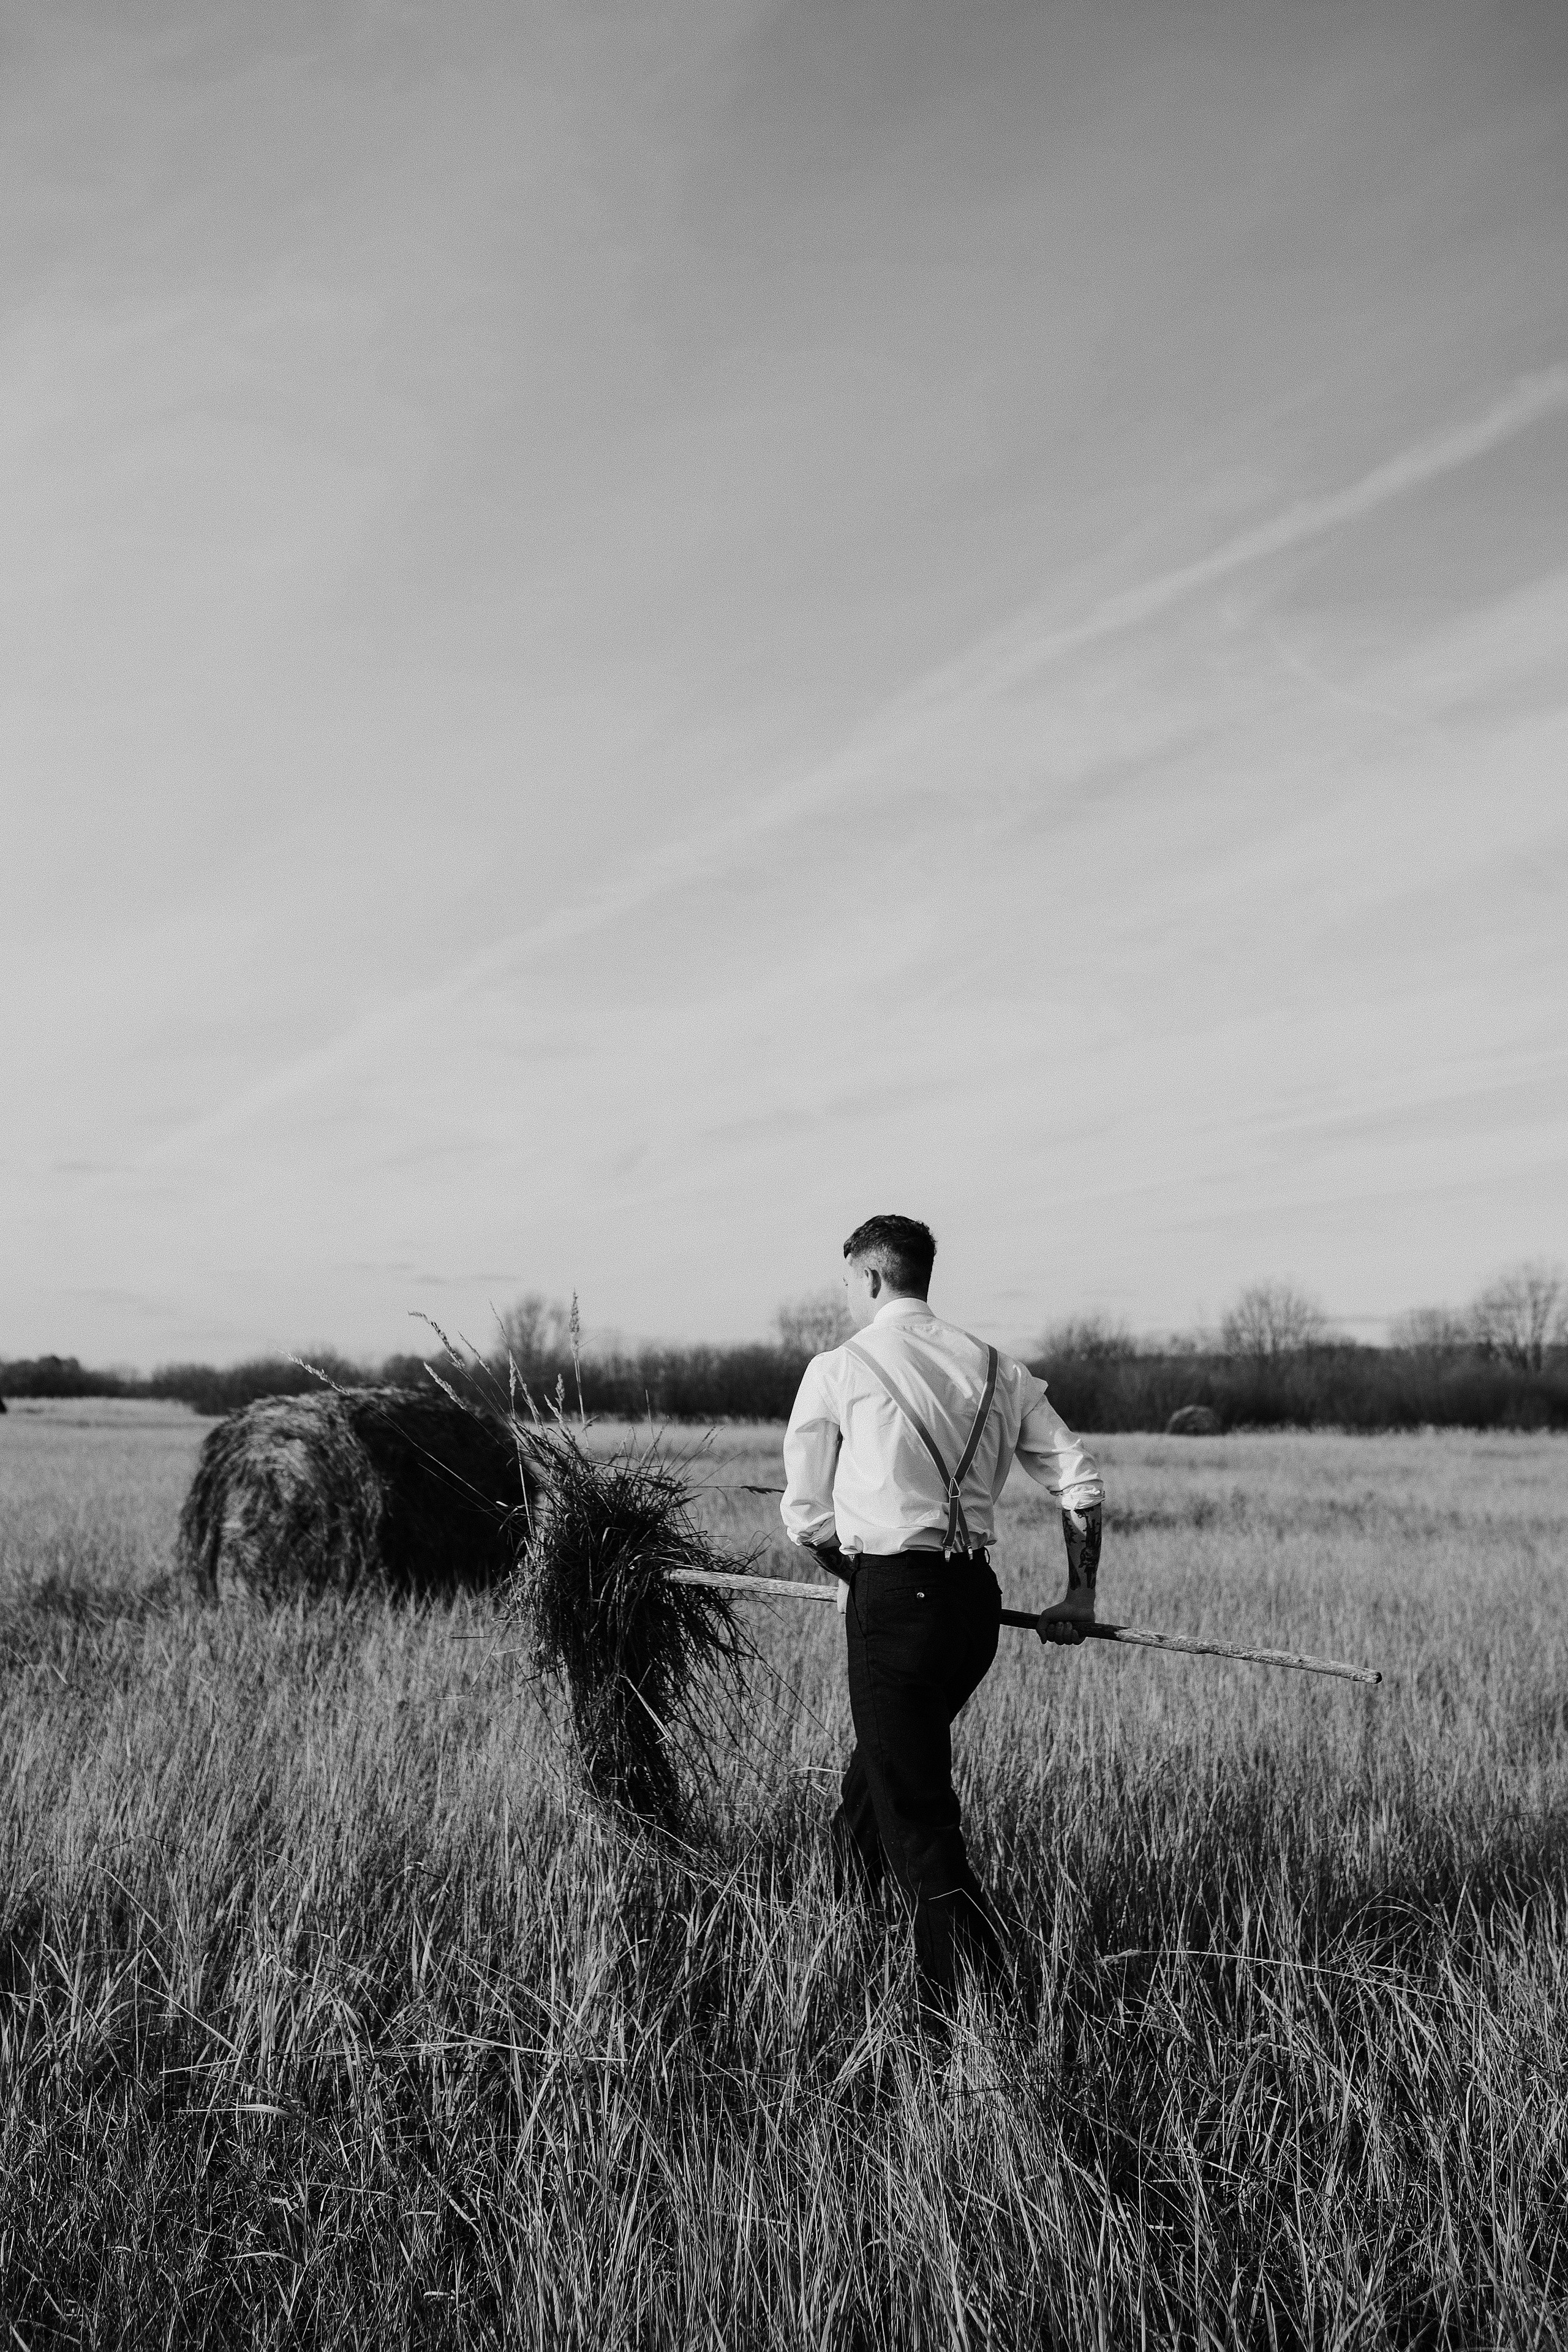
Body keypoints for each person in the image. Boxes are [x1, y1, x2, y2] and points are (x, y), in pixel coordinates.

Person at [780, 1212, 1104, 2003]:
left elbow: (807, 1518)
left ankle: (976, 2004)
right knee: (878, 1781)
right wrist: (1080, 1593)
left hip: (895, 1600)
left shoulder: (839, 1368)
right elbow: (1079, 1484)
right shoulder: (998, 1369)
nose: (848, 1294)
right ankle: (838, 1926)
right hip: (973, 1608)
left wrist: (860, 1577)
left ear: (869, 1277)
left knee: (916, 1813)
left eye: (848, 1281)